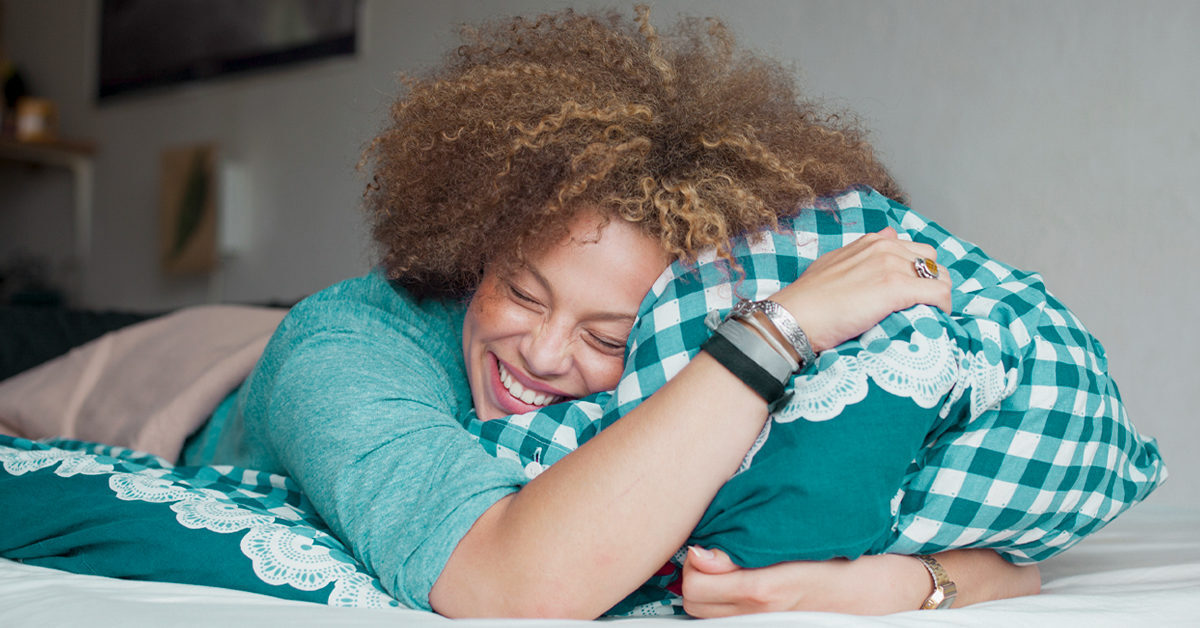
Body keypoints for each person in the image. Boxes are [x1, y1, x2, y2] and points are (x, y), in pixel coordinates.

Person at [182, 6, 1158, 619]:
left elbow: (1022, 569)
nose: (545, 351)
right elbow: (508, 588)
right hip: (190, 375)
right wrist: (780, 332)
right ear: (476, 241)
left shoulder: (686, 371)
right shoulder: (346, 345)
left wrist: (905, 584)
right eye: (521, 288)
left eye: (610, 335)